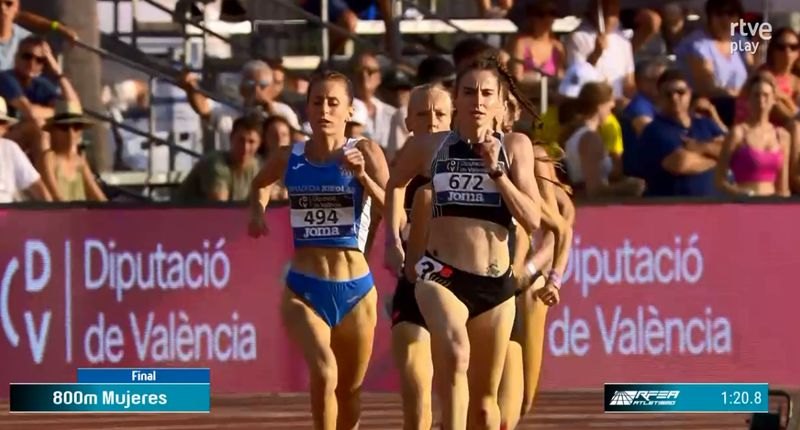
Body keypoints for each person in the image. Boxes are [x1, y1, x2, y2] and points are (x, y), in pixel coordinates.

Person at [385, 57, 542, 430]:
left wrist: (497, 173)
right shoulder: (429, 146)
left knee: (486, 410)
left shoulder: (515, 146)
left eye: (487, 93)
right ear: (456, 99)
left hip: (494, 284)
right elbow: (395, 183)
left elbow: (532, 218)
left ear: (500, 103)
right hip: (441, 275)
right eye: (469, 92)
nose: (477, 100)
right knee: (456, 353)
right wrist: (393, 238)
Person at [248, 70, 389, 430]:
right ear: (306, 109)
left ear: (349, 111)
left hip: (357, 293)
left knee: (350, 392)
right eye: (317, 102)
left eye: (333, 103)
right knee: (325, 373)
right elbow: (259, 183)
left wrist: (363, 178)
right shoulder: (289, 156)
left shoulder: (367, 151)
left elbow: (394, 206)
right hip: (304, 291)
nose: (324, 110)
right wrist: (257, 211)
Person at [388, 84, 452, 430]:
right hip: (414, 286)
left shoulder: (472, 162)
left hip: (462, 288)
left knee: (465, 403)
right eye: (423, 115)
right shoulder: (400, 169)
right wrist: (393, 238)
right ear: (408, 122)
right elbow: (392, 208)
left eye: (440, 114)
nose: (432, 122)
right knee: (417, 388)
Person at [499, 144, 574, 430]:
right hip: (484, 288)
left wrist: (546, 275)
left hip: (525, 284)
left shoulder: (528, 154)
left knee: (524, 398)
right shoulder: (456, 152)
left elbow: (561, 228)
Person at [179, 60, 302, 151]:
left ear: (270, 88)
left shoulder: (284, 111)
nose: (256, 90)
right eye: (250, 84)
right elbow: (203, 108)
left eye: (263, 85)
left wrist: (271, 111)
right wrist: (191, 88)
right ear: (242, 88)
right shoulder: (229, 110)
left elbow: (299, 140)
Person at [639, 69, 726, 197]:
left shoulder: (705, 123)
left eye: (680, 92)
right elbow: (681, 163)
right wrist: (718, 160)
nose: (674, 98)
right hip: (672, 209)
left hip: (716, 207)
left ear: (690, 93)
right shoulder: (654, 130)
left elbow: (731, 151)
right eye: (668, 94)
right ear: (659, 97)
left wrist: (701, 147)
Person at [0, 36, 79, 157]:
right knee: (37, 125)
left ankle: (68, 172)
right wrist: (60, 111)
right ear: (16, 58)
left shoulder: (41, 84)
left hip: (19, 141)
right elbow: (30, 112)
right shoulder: (5, 78)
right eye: (27, 56)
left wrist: (57, 71)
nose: (32, 63)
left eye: (39, 60)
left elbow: (75, 110)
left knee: (69, 127)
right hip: (4, 137)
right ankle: (46, 174)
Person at [716, 72, 790, 197]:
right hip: (746, 204)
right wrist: (742, 194)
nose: (761, 100)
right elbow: (719, 181)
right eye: (756, 95)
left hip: (772, 207)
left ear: (774, 100)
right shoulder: (738, 133)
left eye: (766, 95)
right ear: (748, 100)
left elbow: (783, 187)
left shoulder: (782, 136)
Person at [176, 115, 263, 202]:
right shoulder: (215, 163)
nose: (245, 147)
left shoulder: (258, 168)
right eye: (241, 140)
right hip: (181, 213)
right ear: (231, 138)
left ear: (259, 144)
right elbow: (220, 208)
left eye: (251, 142)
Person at [565, 0, 636, 102]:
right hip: (592, 102)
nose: (611, 15)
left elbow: (629, 81)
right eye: (607, 10)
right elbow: (576, 77)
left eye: (614, 10)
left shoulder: (623, 40)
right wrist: (595, 54)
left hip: (619, 103)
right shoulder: (578, 37)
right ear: (594, 10)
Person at [39, 101, 107, 202]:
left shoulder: (80, 161)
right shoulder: (49, 158)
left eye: (76, 127)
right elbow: (55, 197)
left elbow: (99, 197)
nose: (71, 134)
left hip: (81, 216)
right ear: (53, 131)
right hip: (59, 216)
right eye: (64, 127)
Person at [0, 96, 49, 202]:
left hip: (7, 217)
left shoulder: (10, 149)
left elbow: (37, 188)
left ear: (5, 128)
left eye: (1, 123)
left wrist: (53, 216)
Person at [506, 0, 565, 85]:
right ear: (532, 17)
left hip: (551, 96)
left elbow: (561, 77)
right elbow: (517, 77)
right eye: (541, 14)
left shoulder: (558, 47)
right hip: (525, 95)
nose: (547, 18)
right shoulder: (521, 44)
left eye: (552, 13)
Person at [350, 51, 396, 158]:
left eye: (370, 71)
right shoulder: (340, 111)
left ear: (379, 77)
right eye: (359, 71)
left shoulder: (392, 114)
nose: (364, 75)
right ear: (351, 75)